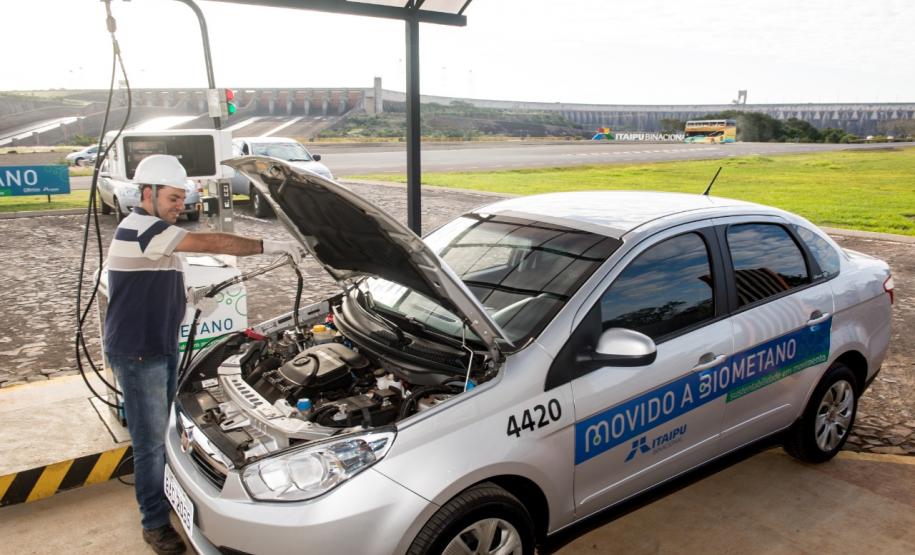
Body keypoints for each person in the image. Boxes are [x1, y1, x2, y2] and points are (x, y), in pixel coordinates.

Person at [103, 154, 301, 554]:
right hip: (141, 353)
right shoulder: (142, 227)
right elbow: (214, 241)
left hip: (157, 346)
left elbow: (156, 278)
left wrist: (188, 299)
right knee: (150, 443)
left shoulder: (154, 231)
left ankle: (170, 494)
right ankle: (154, 523)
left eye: (182, 198)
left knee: (166, 433)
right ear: (148, 192)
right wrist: (269, 245)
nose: (181, 205)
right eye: (174, 198)